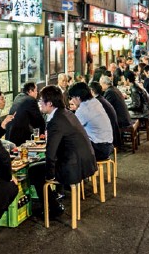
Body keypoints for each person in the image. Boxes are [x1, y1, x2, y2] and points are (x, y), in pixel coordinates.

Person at [28, 85, 97, 217]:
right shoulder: (66, 113)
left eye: (41, 101)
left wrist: (50, 175)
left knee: (34, 170)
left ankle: (52, 209)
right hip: (85, 161)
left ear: (49, 103)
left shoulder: (55, 121)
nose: (39, 104)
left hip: (73, 167)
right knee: (42, 164)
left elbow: (51, 152)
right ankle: (54, 200)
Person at [68, 83, 114, 161]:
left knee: (69, 145)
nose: (71, 101)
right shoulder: (95, 101)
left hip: (99, 149)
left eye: (72, 98)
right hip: (108, 145)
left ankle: (82, 172)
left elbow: (71, 129)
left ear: (78, 98)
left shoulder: (83, 109)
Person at [88, 81, 122, 148]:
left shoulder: (97, 102)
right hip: (113, 131)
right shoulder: (101, 99)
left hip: (109, 137)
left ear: (91, 91)